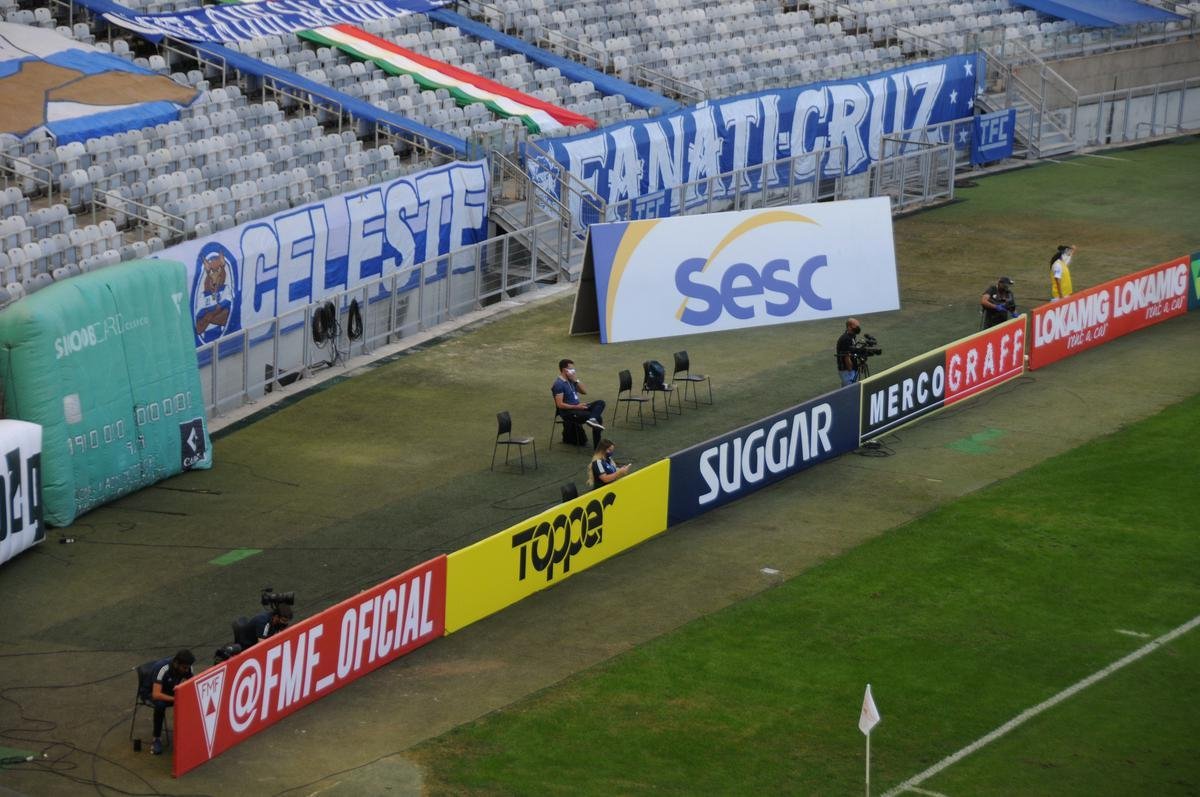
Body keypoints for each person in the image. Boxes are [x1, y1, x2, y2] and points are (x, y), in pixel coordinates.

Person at [149, 649, 195, 755]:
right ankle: (156, 739)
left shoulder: (187, 668)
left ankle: (189, 734)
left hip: (171, 692)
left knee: (191, 700)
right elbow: (156, 694)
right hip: (153, 693)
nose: (186, 670)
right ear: (176, 663)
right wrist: (177, 699)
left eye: (188, 667)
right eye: (184, 668)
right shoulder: (163, 669)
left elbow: (192, 685)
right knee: (160, 706)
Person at [552, 358, 607, 448]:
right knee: (599, 418)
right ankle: (597, 446)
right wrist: (576, 407)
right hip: (569, 413)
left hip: (578, 408)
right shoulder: (559, 384)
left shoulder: (571, 381)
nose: (573, 371)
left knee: (600, 402)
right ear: (564, 370)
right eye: (571, 369)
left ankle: (592, 419)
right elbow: (560, 405)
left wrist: (576, 380)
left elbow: (584, 391)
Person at [835, 318, 861, 386]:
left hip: (851, 369)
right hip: (847, 370)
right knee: (849, 391)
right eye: (856, 326)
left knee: (848, 391)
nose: (858, 327)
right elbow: (846, 356)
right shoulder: (846, 339)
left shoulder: (852, 336)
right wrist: (850, 369)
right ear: (849, 327)